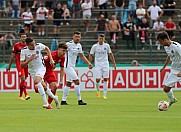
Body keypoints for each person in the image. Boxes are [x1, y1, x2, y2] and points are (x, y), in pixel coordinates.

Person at [20, 37, 60, 109]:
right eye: (32, 45)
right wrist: (29, 59)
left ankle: (46, 103)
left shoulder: (38, 46)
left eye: (34, 44)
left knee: (37, 81)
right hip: (32, 70)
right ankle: (55, 98)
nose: (34, 46)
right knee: (44, 87)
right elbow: (21, 65)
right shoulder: (24, 51)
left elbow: (47, 48)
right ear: (27, 45)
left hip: (41, 68)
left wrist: (51, 59)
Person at [61, 31, 93, 105]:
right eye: (76, 36)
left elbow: (81, 56)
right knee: (77, 81)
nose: (77, 38)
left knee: (68, 83)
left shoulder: (79, 45)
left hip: (72, 66)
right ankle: (79, 100)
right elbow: (61, 51)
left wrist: (88, 63)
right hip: (67, 66)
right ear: (73, 37)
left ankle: (63, 101)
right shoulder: (68, 44)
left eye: (79, 37)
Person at [89, 34, 116, 99]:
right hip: (98, 64)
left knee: (105, 79)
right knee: (98, 79)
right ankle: (98, 90)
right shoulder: (94, 46)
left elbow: (110, 54)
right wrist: (89, 63)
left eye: (102, 38)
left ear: (104, 39)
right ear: (98, 39)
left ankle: (104, 94)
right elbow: (91, 55)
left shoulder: (107, 46)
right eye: (100, 38)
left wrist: (114, 63)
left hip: (105, 64)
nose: (101, 40)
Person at [157, 31, 179, 107]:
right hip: (174, 70)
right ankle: (172, 99)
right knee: (166, 89)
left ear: (165, 39)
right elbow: (169, 56)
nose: (160, 43)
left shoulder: (177, 47)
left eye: (160, 41)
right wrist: (164, 67)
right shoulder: (166, 47)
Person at [6, 34, 30, 101]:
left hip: (26, 64)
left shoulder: (28, 46)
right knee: (22, 78)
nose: (24, 38)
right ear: (20, 38)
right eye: (22, 37)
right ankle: (26, 94)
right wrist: (9, 66)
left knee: (23, 80)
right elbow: (12, 56)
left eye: (25, 37)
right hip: (19, 64)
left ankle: (20, 96)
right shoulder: (16, 45)